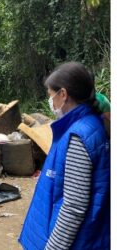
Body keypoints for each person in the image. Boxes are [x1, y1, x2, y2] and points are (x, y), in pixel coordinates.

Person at [19, 62, 110, 249]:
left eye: (50, 96)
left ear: (63, 94)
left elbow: (74, 206)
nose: (50, 102)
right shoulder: (87, 124)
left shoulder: (79, 135)